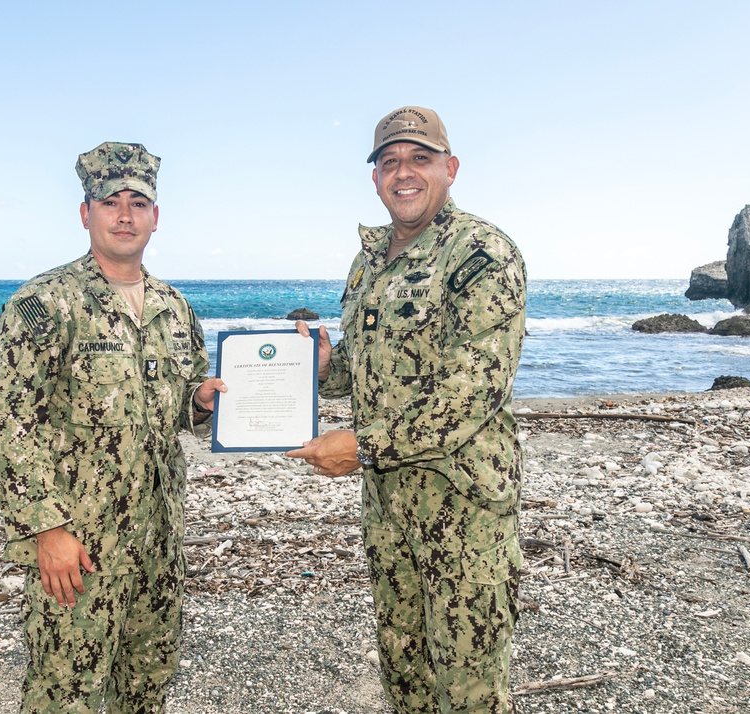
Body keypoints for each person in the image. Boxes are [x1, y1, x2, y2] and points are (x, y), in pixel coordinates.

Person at [287, 106, 527, 713]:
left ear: (450, 169)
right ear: (374, 178)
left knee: (470, 684)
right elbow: (369, 371)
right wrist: (321, 367)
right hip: (389, 506)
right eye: (389, 161)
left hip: (463, 506)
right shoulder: (369, 262)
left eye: (420, 158)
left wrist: (363, 447)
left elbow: (471, 390)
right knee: (405, 669)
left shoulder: (481, 254)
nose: (404, 172)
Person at [0, 141, 225, 714]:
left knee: (145, 692)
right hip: (81, 549)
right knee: (65, 694)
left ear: (156, 217)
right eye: (109, 201)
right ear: (85, 212)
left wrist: (205, 401)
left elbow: (180, 408)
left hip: (158, 547)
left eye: (138, 202)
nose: (124, 214)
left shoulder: (174, 307)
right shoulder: (45, 303)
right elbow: (9, 425)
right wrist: (47, 529)